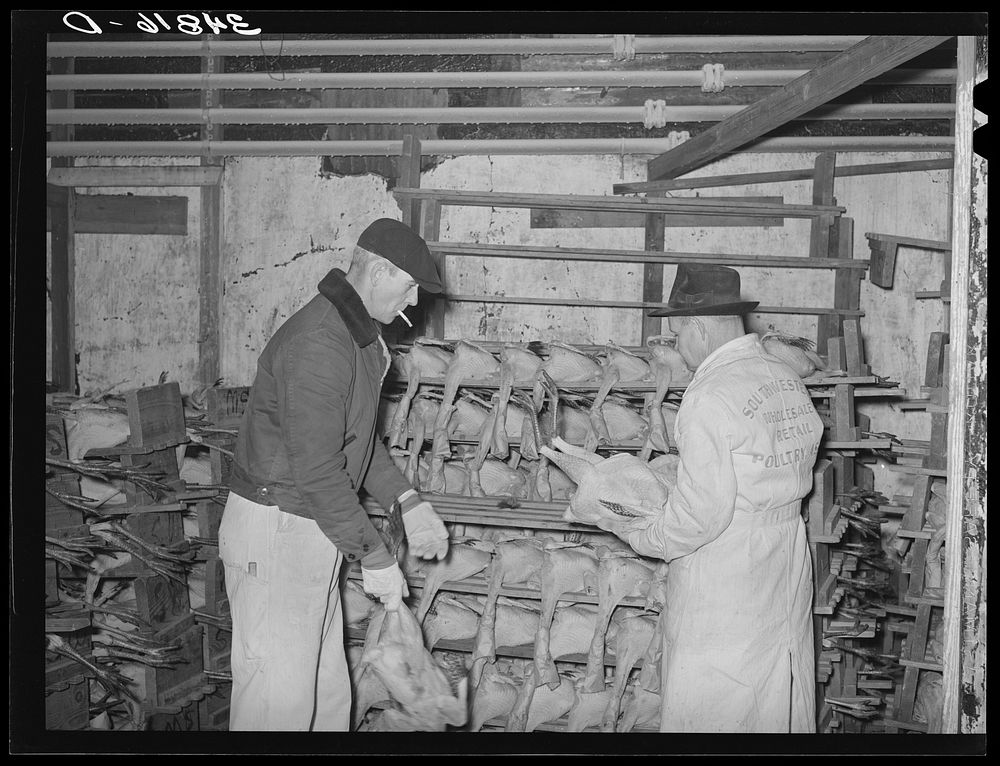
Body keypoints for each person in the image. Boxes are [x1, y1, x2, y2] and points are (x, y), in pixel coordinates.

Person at [219, 218, 451, 731]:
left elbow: (355, 445)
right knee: (276, 711)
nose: (413, 302)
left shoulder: (357, 336)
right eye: (410, 286)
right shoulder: (323, 341)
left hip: (308, 529)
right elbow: (319, 470)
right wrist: (373, 552)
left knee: (323, 703)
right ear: (380, 271)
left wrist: (408, 502)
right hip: (278, 528)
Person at [595, 263, 823, 733]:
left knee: (714, 704)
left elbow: (701, 515)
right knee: (774, 692)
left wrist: (643, 534)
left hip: (727, 572)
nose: (678, 347)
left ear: (698, 328)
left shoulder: (710, 393)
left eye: (678, 334)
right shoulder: (782, 376)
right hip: (783, 558)